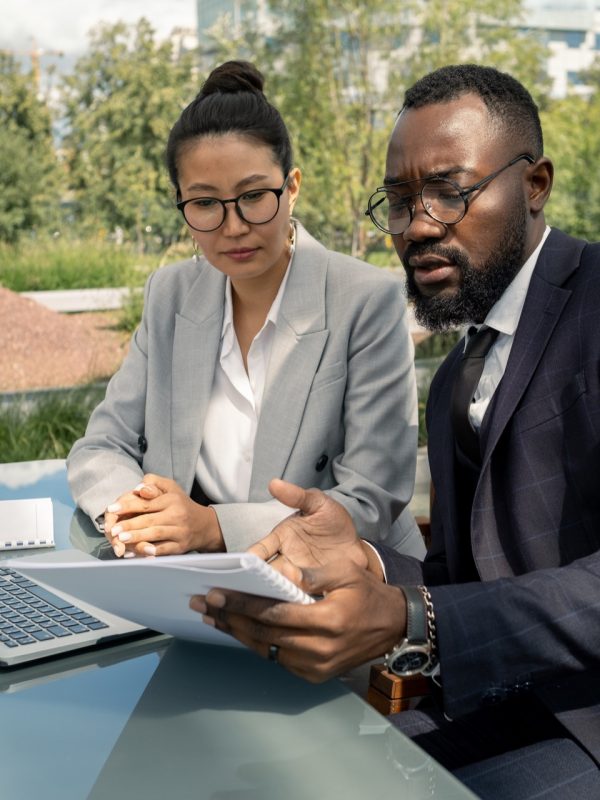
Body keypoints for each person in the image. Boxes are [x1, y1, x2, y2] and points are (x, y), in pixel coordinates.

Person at [192, 64, 600, 799]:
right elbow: (463, 579)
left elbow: (443, 609)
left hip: (586, 721)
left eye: (451, 190)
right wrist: (367, 565)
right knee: (263, 765)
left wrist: (414, 617)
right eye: (402, 200)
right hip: (502, 692)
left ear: (535, 184)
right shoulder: (454, 378)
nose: (418, 226)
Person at [67, 60, 424, 561]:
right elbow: (100, 447)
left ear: (292, 186)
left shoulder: (365, 299)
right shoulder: (169, 294)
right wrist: (140, 518)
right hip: (187, 575)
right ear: (181, 203)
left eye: (254, 196)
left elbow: (369, 498)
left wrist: (212, 527)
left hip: (339, 584)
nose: (233, 227)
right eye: (205, 203)